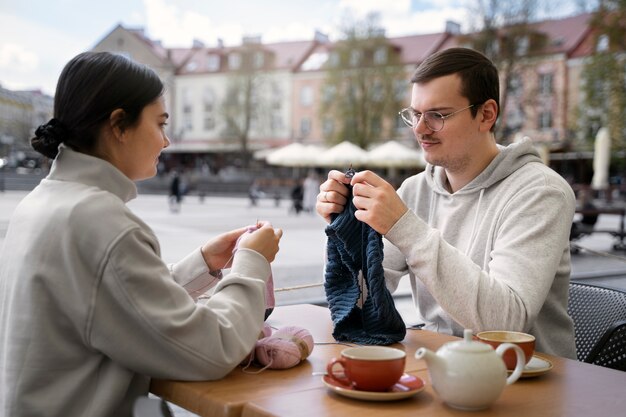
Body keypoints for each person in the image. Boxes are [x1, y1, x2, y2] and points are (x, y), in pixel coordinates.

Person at [0, 51, 283, 417]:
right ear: (119, 125)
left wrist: (202, 263)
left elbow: (113, 303)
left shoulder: (43, 201)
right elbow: (212, 349)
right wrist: (251, 263)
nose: (165, 141)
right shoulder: (100, 220)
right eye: (160, 124)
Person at [316, 47, 577, 359]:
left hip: (527, 378)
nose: (419, 129)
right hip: (439, 367)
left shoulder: (541, 192)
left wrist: (404, 227)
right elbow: (359, 303)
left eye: (437, 115)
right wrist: (346, 232)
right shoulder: (414, 190)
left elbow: (506, 325)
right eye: (415, 114)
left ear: (486, 114)